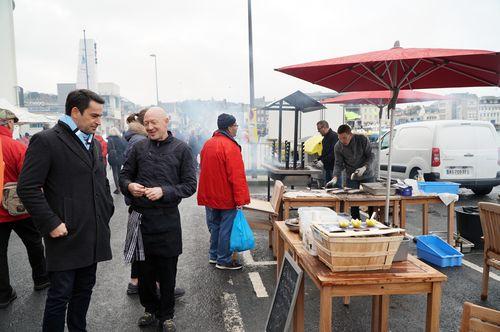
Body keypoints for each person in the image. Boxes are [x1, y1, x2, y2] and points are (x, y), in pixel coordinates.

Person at [17, 89, 115, 332]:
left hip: (92, 232)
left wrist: (106, 209)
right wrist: (51, 223)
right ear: (74, 112)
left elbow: (100, 181)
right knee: (60, 296)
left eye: (100, 116)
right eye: (94, 115)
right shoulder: (47, 140)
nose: (98, 121)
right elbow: (27, 187)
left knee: (84, 292)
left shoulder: (90, 140)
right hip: (65, 235)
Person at [119, 107, 196, 332]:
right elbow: (124, 176)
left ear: (166, 121)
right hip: (140, 218)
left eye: (154, 122)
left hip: (167, 219)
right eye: (147, 123)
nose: (150, 127)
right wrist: (129, 186)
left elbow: (190, 185)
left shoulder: (182, 149)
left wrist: (164, 191)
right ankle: (149, 309)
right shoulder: (139, 147)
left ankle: (167, 315)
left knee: (167, 271)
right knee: (144, 271)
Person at [0, 109, 49, 309]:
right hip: (20, 209)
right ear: (8, 124)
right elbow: (30, 178)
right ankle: (41, 279)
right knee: (34, 243)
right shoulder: (15, 146)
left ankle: (3, 294)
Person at [197, 113, 250, 270]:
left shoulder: (208, 143)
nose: (236, 129)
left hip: (210, 194)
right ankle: (224, 260)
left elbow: (202, 169)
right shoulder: (230, 146)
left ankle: (214, 255)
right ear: (229, 127)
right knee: (226, 227)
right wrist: (240, 200)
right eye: (235, 126)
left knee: (216, 226)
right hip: (225, 195)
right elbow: (237, 176)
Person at [327, 124, 375, 219]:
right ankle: (356, 222)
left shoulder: (362, 140)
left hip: (367, 173)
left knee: (372, 200)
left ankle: (372, 221)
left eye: (344, 138)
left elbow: (371, 156)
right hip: (351, 175)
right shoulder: (338, 146)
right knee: (352, 201)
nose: (342, 141)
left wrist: (365, 167)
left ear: (351, 135)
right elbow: (338, 163)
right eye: (340, 138)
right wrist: (335, 177)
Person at [315, 120, 339, 184]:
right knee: (328, 188)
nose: (318, 131)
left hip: (335, 168)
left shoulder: (334, 136)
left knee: (336, 188)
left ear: (324, 127)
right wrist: (318, 159)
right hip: (328, 167)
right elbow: (325, 153)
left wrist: (322, 161)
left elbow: (334, 153)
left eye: (319, 129)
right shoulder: (324, 139)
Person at [107, 127, 127, 194]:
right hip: (120, 157)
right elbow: (124, 147)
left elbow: (108, 149)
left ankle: (118, 188)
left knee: (114, 173)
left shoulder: (110, 139)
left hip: (113, 158)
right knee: (119, 172)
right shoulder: (121, 139)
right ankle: (121, 186)